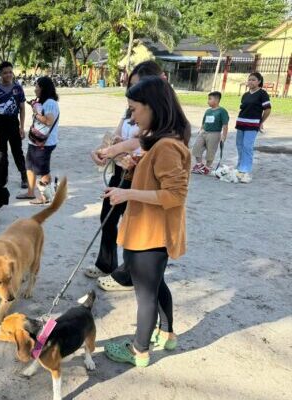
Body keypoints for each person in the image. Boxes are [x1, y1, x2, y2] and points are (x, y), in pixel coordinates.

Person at [102, 76, 191, 367]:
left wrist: (126, 191)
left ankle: (139, 350)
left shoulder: (166, 146)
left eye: (134, 108)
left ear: (153, 107)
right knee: (155, 285)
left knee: (145, 295)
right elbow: (159, 178)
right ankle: (167, 333)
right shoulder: (163, 142)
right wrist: (137, 165)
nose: (131, 115)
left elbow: (174, 194)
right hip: (151, 232)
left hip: (150, 235)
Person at [85, 61, 164, 290]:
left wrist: (120, 150)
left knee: (133, 224)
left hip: (142, 176)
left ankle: (128, 275)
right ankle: (106, 263)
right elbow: (119, 136)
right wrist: (107, 150)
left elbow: (143, 143)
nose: (133, 94)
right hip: (122, 169)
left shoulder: (160, 114)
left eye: (137, 87)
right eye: (131, 86)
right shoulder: (131, 109)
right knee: (108, 216)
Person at [16, 76, 59, 205]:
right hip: (36, 140)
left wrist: (35, 113)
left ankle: (46, 196)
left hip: (44, 143)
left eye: (37, 86)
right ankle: (30, 192)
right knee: (29, 166)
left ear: (43, 88)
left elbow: (48, 121)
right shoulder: (44, 102)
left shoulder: (50, 103)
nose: (35, 89)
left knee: (43, 170)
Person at [0, 61, 27, 188]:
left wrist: (21, 127)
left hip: (13, 123)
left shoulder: (18, 88)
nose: (8, 75)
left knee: (17, 151)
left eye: (10, 72)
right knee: (2, 152)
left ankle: (24, 176)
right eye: (5, 73)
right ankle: (3, 176)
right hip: (0, 124)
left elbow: (22, 108)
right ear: (0, 74)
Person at [234, 72, 271, 183]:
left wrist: (261, 122)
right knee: (240, 145)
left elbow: (268, 109)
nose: (250, 81)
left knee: (247, 147)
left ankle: (245, 172)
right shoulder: (245, 95)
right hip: (241, 123)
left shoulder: (262, 94)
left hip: (252, 124)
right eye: (249, 79)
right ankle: (239, 167)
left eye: (253, 80)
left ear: (259, 81)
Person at [191, 91, 229, 175]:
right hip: (204, 132)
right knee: (196, 148)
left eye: (209, 99)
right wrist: (201, 129)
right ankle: (199, 165)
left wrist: (224, 136)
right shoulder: (208, 111)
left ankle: (207, 167)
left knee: (210, 151)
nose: (207, 101)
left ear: (216, 100)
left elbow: (225, 125)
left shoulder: (222, 111)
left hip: (214, 134)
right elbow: (204, 122)